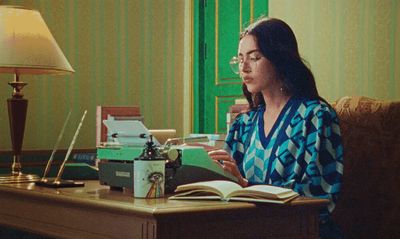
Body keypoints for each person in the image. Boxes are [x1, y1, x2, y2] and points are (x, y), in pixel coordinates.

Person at [208, 17, 344, 239]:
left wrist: (246, 185)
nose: (244, 67)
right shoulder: (244, 124)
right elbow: (228, 187)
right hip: (246, 228)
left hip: (303, 231)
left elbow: (319, 194)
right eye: (240, 59)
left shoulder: (316, 117)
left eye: (255, 58)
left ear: (280, 59)